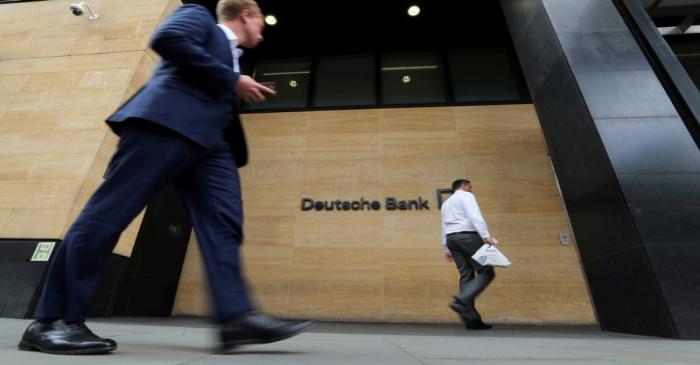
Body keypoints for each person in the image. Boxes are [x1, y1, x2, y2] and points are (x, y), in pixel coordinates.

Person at [18, 0, 312, 355]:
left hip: (213, 145)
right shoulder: (199, 17)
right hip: (165, 125)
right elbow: (168, 37)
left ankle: (235, 317)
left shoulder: (235, 57)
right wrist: (232, 79)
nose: (263, 33)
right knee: (108, 215)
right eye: (261, 23)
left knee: (225, 223)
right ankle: (52, 321)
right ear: (246, 16)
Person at [441, 179, 497, 330]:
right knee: (487, 271)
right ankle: (461, 299)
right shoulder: (466, 196)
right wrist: (486, 235)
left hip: (452, 239)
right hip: (468, 237)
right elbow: (475, 216)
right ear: (463, 186)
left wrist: (446, 248)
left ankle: (472, 320)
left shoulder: (446, 203)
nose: (471, 189)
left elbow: (443, 225)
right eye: (470, 186)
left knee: (466, 275)